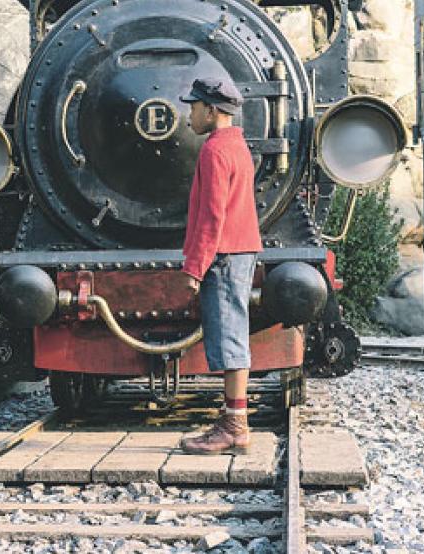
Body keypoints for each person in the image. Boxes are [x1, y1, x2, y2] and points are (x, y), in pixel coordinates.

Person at [178, 77, 263, 455]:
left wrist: (195, 266)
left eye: (194, 107)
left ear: (212, 110)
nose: (188, 115)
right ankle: (232, 421)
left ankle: (234, 427)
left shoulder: (214, 151)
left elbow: (211, 217)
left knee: (229, 337)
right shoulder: (237, 145)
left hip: (224, 254)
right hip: (238, 250)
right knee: (233, 334)